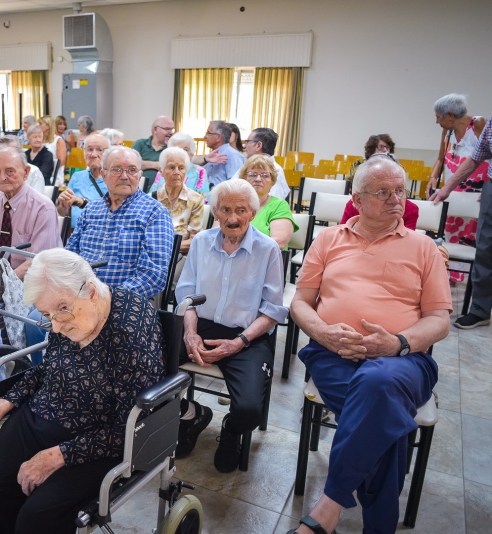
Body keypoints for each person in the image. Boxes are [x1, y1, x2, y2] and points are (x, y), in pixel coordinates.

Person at [289, 157, 452, 534]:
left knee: (379, 385)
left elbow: (440, 321)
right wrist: (324, 333)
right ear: (357, 200)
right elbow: (300, 302)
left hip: (404, 360)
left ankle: (329, 506)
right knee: (384, 417)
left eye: (401, 191)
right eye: (383, 192)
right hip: (334, 353)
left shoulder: (424, 247)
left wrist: (396, 343)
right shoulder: (328, 239)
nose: (397, 200)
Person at [0, 248, 165, 534]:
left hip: (95, 442)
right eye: (46, 315)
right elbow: (49, 370)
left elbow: (129, 428)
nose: (55, 327)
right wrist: (7, 402)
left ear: (91, 291)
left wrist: (59, 455)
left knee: (36, 518)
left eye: (61, 310)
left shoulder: (127, 333)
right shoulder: (72, 315)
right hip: (38, 418)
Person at [174, 179, 286, 471]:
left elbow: (273, 310)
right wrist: (190, 333)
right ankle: (189, 415)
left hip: (245, 336)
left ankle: (231, 430)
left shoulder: (268, 249)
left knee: (250, 410)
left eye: (241, 210)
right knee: (144, 368)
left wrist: (238, 343)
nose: (233, 218)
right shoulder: (200, 242)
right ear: (215, 211)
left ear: (253, 212)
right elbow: (187, 294)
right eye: (225, 209)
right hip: (199, 325)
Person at [66, 146, 174, 298]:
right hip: (79, 295)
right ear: (104, 175)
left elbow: (153, 275)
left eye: (131, 170)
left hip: (123, 301)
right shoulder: (91, 209)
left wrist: (108, 297)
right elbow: (69, 255)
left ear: (139, 175)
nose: (124, 176)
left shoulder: (155, 213)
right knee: (35, 317)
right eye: (117, 169)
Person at [0, 146, 62, 279]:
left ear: (26, 172)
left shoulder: (43, 208)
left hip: (27, 282)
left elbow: (36, 263)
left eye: (10, 171)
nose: (2, 177)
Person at [430, 115, 492, 330]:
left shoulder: (480, 122)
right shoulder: (491, 123)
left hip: (481, 188)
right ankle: (480, 310)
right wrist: (446, 188)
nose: (437, 120)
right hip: (490, 187)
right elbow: (476, 158)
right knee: (484, 249)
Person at [427, 94, 490, 283]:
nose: (436, 121)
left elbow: (485, 156)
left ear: (450, 115)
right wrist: (433, 177)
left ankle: (468, 279)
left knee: (472, 235)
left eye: (438, 117)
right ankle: (451, 276)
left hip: (476, 193)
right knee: (450, 231)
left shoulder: (478, 124)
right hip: (453, 191)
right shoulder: (447, 132)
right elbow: (440, 158)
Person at [342, 153, 419, 231]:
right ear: (358, 200)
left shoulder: (424, 242)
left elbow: (405, 238)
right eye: (382, 192)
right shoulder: (352, 205)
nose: (395, 200)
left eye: (399, 191)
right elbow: (344, 233)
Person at [152, 147, 205, 254]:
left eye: (181, 168)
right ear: (161, 171)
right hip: (154, 255)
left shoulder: (196, 200)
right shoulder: (151, 199)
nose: (177, 172)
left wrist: (167, 249)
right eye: (171, 167)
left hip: (181, 257)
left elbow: (194, 240)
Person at [239, 154, 298, 249]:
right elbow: (216, 234)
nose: (258, 179)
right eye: (252, 174)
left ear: (272, 181)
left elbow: (278, 243)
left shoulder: (279, 206)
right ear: (244, 178)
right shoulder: (233, 203)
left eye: (265, 175)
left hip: (264, 261)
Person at [56, 133, 110, 228]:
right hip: (74, 234)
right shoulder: (77, 177)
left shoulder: (114, 179)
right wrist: (63, 205)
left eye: (99, 150)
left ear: (109, 153)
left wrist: (82, 202)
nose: (93, 154)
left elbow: (114, 212)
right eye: (89, 149)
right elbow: (64, 213)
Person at [242, 127, 290, 199]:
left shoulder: (275, 171)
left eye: (247, 142)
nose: (244, 146)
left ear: (258, 145)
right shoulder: (249, 165)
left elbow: (271, 206)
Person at [199, 121, 245, 188]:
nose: (205, 137)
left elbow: (236, 184)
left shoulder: (233, 155)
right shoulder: (212, 155)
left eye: (208, 133)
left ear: (218, 137)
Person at [132, 115, 174, 184]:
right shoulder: (140, 144)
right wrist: (157, 165)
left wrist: (144, 163)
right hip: (138, 188)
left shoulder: (172, 148)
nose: (171, 132)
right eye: (167, 129)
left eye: (172, 129)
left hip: (162, 190)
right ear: (155, 129)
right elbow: (132, 165)